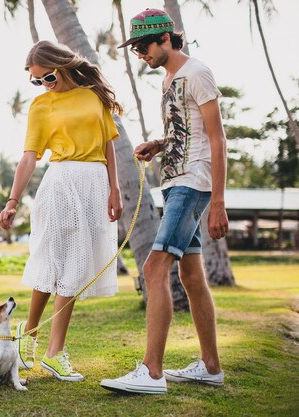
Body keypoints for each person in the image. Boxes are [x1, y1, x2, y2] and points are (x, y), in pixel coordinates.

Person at [100, 9, 229, 395]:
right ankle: (211, 367)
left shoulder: (197, 73)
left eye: (143, 46)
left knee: (154, 269)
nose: (140, 54)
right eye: (135, 48)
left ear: (166, 39)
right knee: (191, 276)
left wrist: (218, 200)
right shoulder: (171, 79)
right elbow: (185, 131)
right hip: (175, 183)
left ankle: (151, 373)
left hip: (193, 183)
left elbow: (217, 138)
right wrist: (159, 145)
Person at [0, 40, 123, 382]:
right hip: (61, 183)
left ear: (62, 66)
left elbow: (109, 146)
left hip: (94, 184)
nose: (44, 84)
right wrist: (12, 201)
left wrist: (115, 189)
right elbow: (29, 156)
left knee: (75, 266)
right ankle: (41, 341)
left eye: (48, 77)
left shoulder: (94, 96)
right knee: (52, 263)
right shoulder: (41, 106)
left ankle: (43, 343)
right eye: (37, 80)